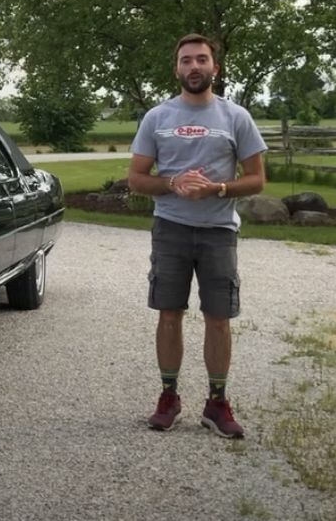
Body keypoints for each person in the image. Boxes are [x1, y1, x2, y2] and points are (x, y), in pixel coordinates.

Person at [127, 33, 267, 439]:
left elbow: (257, 180)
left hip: (218, 231)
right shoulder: (157, 118)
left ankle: (217, 402)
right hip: (170, 228)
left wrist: (218, 190)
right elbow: (136, 179)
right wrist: (171, 184)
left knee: (218, 318)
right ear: (176, 69)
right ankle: (168, 397)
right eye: (186, 60)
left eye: (201, 60)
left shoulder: (236, 117)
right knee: (169, 313)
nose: (194, 67)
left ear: (214, 68)